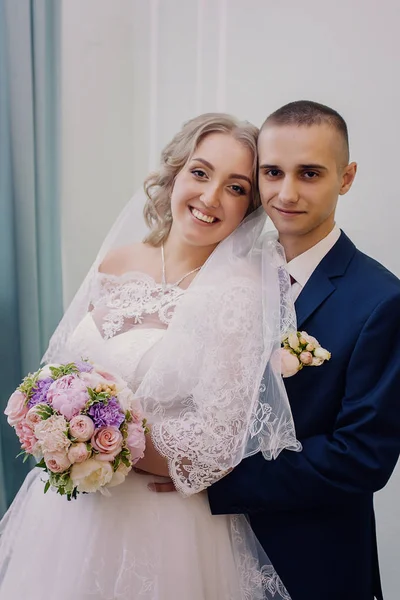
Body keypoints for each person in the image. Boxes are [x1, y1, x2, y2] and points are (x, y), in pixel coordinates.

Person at [0, 113, 300, 600]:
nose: (210, 197)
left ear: (249, 207)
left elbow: (215, 443)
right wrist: (56, 423)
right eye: (200, 173)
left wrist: (109, 443)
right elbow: (58, 370)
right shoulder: (117, 261)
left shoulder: (239, 293)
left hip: (161, 527)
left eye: (236, 187)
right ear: (175, 173)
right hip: (67, 512)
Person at [208, 101, 400, 600]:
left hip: (311, 562)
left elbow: (360, 457)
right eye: (272, 172)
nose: (286, 193)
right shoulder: (230, 272)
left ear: (347, 177)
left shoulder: (380, 299)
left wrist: (213, 477)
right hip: (207, 552)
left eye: (309, 173)